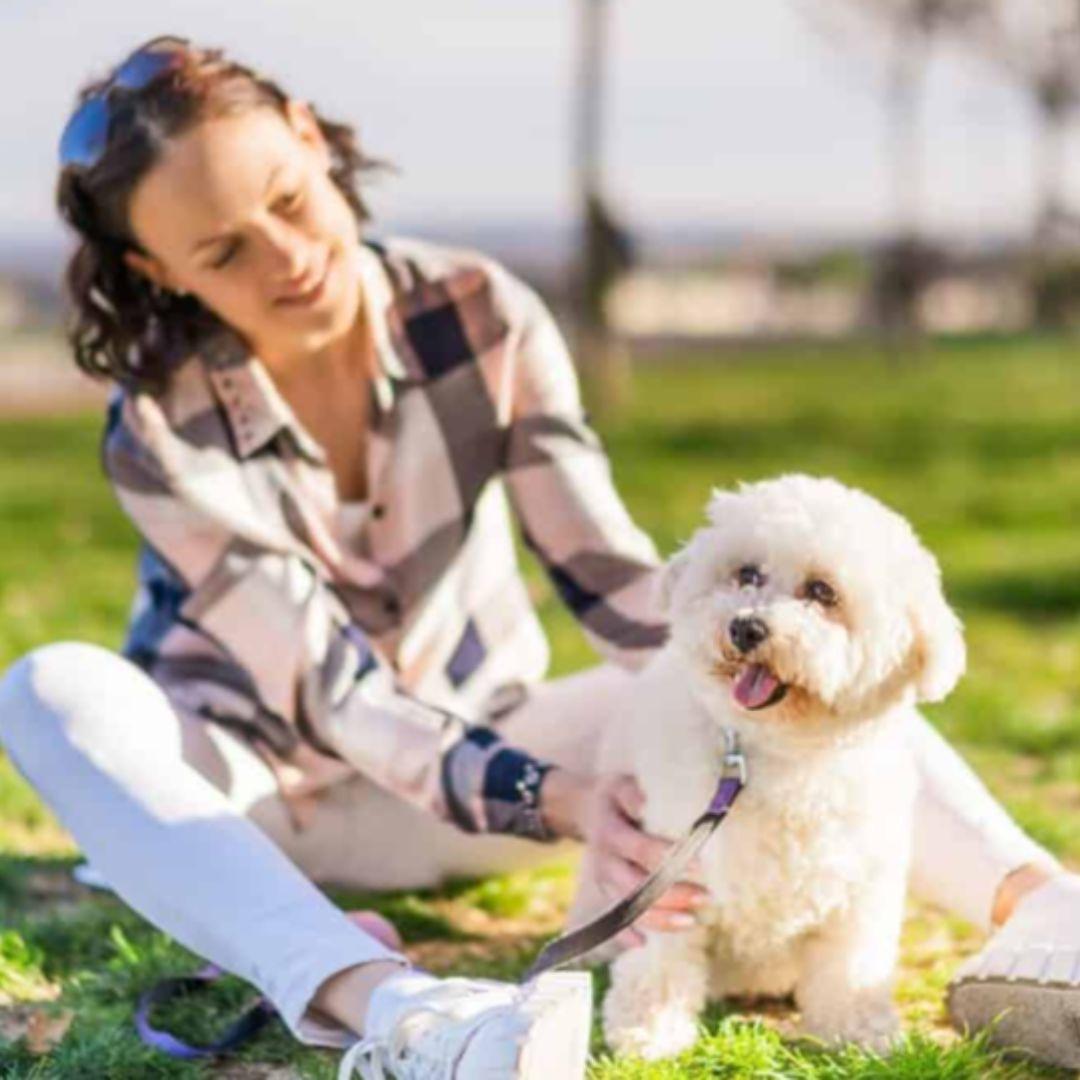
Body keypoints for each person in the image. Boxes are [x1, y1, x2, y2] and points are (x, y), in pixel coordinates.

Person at [0, 32, 1077, 1078]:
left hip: (485, 771)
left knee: (801, 684)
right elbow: (336, 696)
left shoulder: (477, 312)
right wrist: (557, 800)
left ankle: (1047, 920)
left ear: (307, 135)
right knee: (50, 688)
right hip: (257, 807)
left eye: (287, 199)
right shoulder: (158, 430)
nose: (289, 259)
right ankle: (404, 1014)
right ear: (156, 268)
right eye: (226, 250)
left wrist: (739, 649)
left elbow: (618, 590)